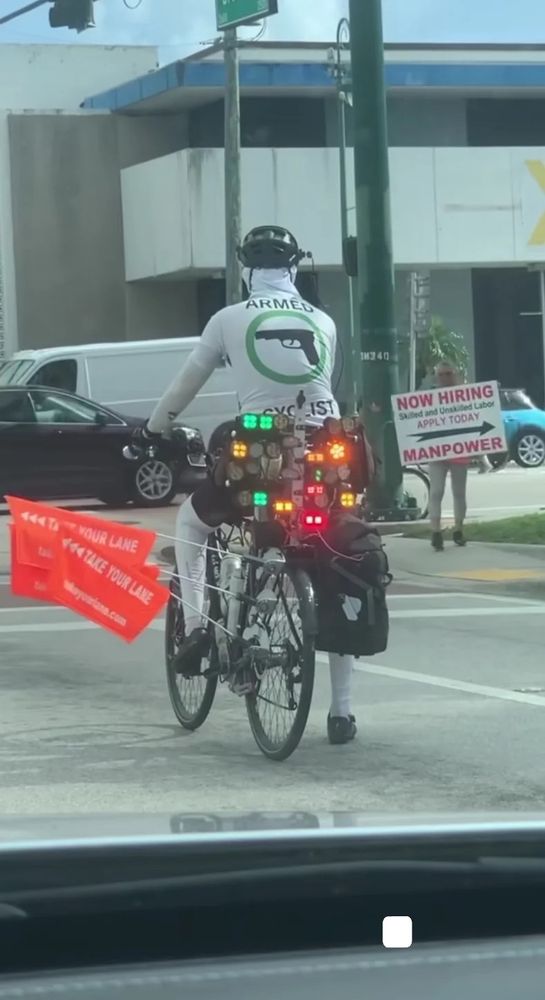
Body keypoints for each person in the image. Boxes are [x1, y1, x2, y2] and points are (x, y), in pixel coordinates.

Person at [135, 226, 358, 745]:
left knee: (191, 519)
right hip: (331, 444)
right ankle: (343, 710)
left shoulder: (228, 319)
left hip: (263, 444)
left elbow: (185, 385)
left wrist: (152, 430)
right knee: (339, 558)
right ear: (295, 268)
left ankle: (195, 632)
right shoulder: (323, 319)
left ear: (246, 269)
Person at [428, 360, 470, 551]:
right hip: (436, 451)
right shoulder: (429, 398)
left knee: (459, 492)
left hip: (460, 451)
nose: (445, 377)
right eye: (441, 374)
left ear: (455, 374)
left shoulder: (466, 396)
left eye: (448, 374)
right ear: (436, 376)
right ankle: (436, 532)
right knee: (436, 491)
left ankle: (458, 530)